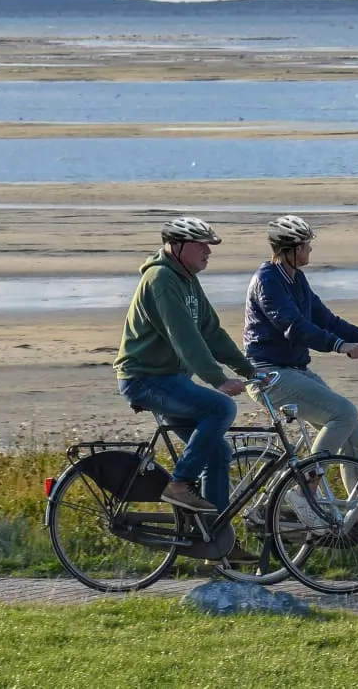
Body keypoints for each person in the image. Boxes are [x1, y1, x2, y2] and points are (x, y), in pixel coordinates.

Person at [243, 214, 358, 545]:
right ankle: (303, 490)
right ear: (291, 249)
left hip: (293, 371)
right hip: (269, 375)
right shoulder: (268, 280)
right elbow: (294, 327)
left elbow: (327, 319)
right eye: (306, 244)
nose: (310, 248)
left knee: (352, 430)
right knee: (342, 412)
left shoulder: (295, 280)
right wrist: (340, 347)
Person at [113, 217, 258, 563]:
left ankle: (216, 541)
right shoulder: (161, 279)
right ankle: (179, 485)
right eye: (201, 245)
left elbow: (211, 332)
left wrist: (248, 370)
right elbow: (185, 338)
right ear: (177, 247)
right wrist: (218, 380)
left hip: (170, 379)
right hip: (145, 379)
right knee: (221, 409)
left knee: (219, 451)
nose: (208, 251)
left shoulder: (188, 281)